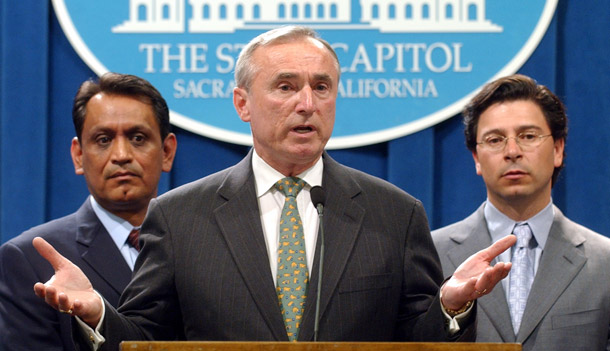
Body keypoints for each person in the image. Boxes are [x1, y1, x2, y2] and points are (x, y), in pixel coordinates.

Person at [33, 26, 515, 349]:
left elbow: (416, 340)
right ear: (243, 103)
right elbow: (144, 338)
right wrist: (98, 311)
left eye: (321, 87)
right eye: (285, 87)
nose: (307, 103)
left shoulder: (395, 213)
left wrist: (451, 306)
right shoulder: (179, 217)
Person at [0, 72, 177, 350]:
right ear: (78, 155)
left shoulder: (202, 243)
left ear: (167, 151)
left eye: (138, 138)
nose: (121, 154)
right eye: (104, 139)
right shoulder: (28, 262)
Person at [432, 74, 610, 350]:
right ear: (476, 159)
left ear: (558, 150)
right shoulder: (430, 254)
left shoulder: (605, 263)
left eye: (528, 136)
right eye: (495, 139)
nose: (512, 151)